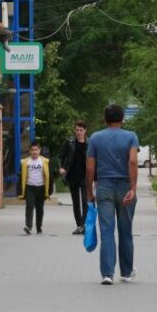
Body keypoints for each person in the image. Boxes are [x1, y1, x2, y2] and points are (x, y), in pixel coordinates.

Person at [86, 104, 139, 285]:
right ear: (122, 119)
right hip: (125, 187)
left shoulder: (95, 138)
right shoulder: (131, 137)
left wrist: (89, 193)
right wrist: (133, 188)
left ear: (105, 119)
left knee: (106, 231)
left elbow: (90, 167)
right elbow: (132, 161)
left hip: (104, 187)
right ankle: (126, 272)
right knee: (126, 231)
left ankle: (107, 274)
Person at [59, 120, 89, 234]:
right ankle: (79, 225)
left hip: (85, 176)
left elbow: (93, 159)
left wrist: (95, 177)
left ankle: (84, 225)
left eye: (81, 130)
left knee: (85, 201)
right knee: (76, 202)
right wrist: (61, 167)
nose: (78, 132)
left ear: (85, 131)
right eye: (77, 130)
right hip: (72, 176)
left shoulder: (89, 143)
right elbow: (61, 156)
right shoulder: (69, 142)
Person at [19, 143, 50, 235]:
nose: (34, 152)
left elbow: (49, 176)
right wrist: (20, 190)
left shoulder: (44, 161)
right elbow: (21, 176)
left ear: (39, 151)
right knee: (29, 206)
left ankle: (39, 227)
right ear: (29, 151)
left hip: (41, 187)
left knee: (40, 209)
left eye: (36, 150)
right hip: (30, 187)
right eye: (32, 150)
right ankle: (28, 226)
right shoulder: (25, 162)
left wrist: (48, 190)